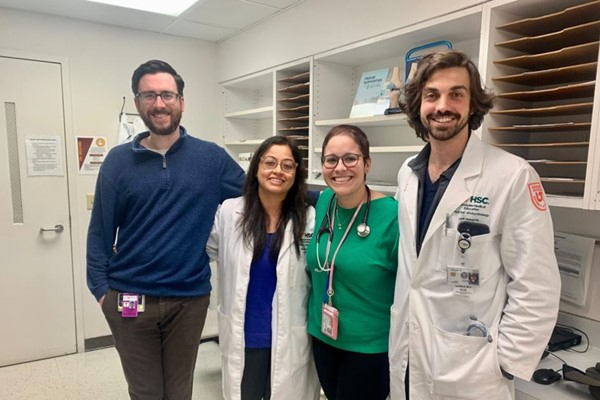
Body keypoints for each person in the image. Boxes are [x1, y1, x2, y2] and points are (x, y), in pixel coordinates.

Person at [389, 50, 561, 400]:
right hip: (409, 355)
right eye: (432, 94)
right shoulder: (408, 172)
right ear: (418, 105)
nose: (443, 105)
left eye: (457, 93)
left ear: (473, 105)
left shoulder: (512, 176)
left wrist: (505, 363)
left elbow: (537, 284)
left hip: (471, 370)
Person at [86, 59, 245, 400]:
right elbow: (100, 232)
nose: (159, 103)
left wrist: (327, 198)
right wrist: (102, 292)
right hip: (129, 299)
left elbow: (262, 192)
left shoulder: (211, 159)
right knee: (144, 392)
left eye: (167, 95)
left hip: (187, 301)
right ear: (137, 102)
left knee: (178, 392)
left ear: (181, 102)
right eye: (149, 95)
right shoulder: (117, 161)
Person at [206, 135, 320, 400]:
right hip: (244, 337)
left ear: (296, 174)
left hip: (292, 336)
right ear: (256, 168)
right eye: (270, 162)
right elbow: (204, 254)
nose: (277, 171)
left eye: (287, 165)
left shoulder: (310, 217)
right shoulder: (229, 213)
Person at [306, 124, 399, 400]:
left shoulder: (393, 216)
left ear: (367, 163)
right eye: (330, 160)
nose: (340, 168)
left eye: (350, 158)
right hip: (323, 337)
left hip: (370, 347)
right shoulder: (325, 202)